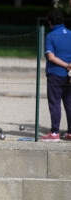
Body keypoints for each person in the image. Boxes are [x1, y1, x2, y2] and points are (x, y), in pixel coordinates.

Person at [40, 10, 71, 142]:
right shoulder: (70, 34)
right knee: (69, 102)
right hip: (69, 75)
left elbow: (51, 57)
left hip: (55, 73)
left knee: (55, 103)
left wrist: (65, 65)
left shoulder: (51, 36)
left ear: (50, 22)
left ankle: (54, 133)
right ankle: (70, 132)